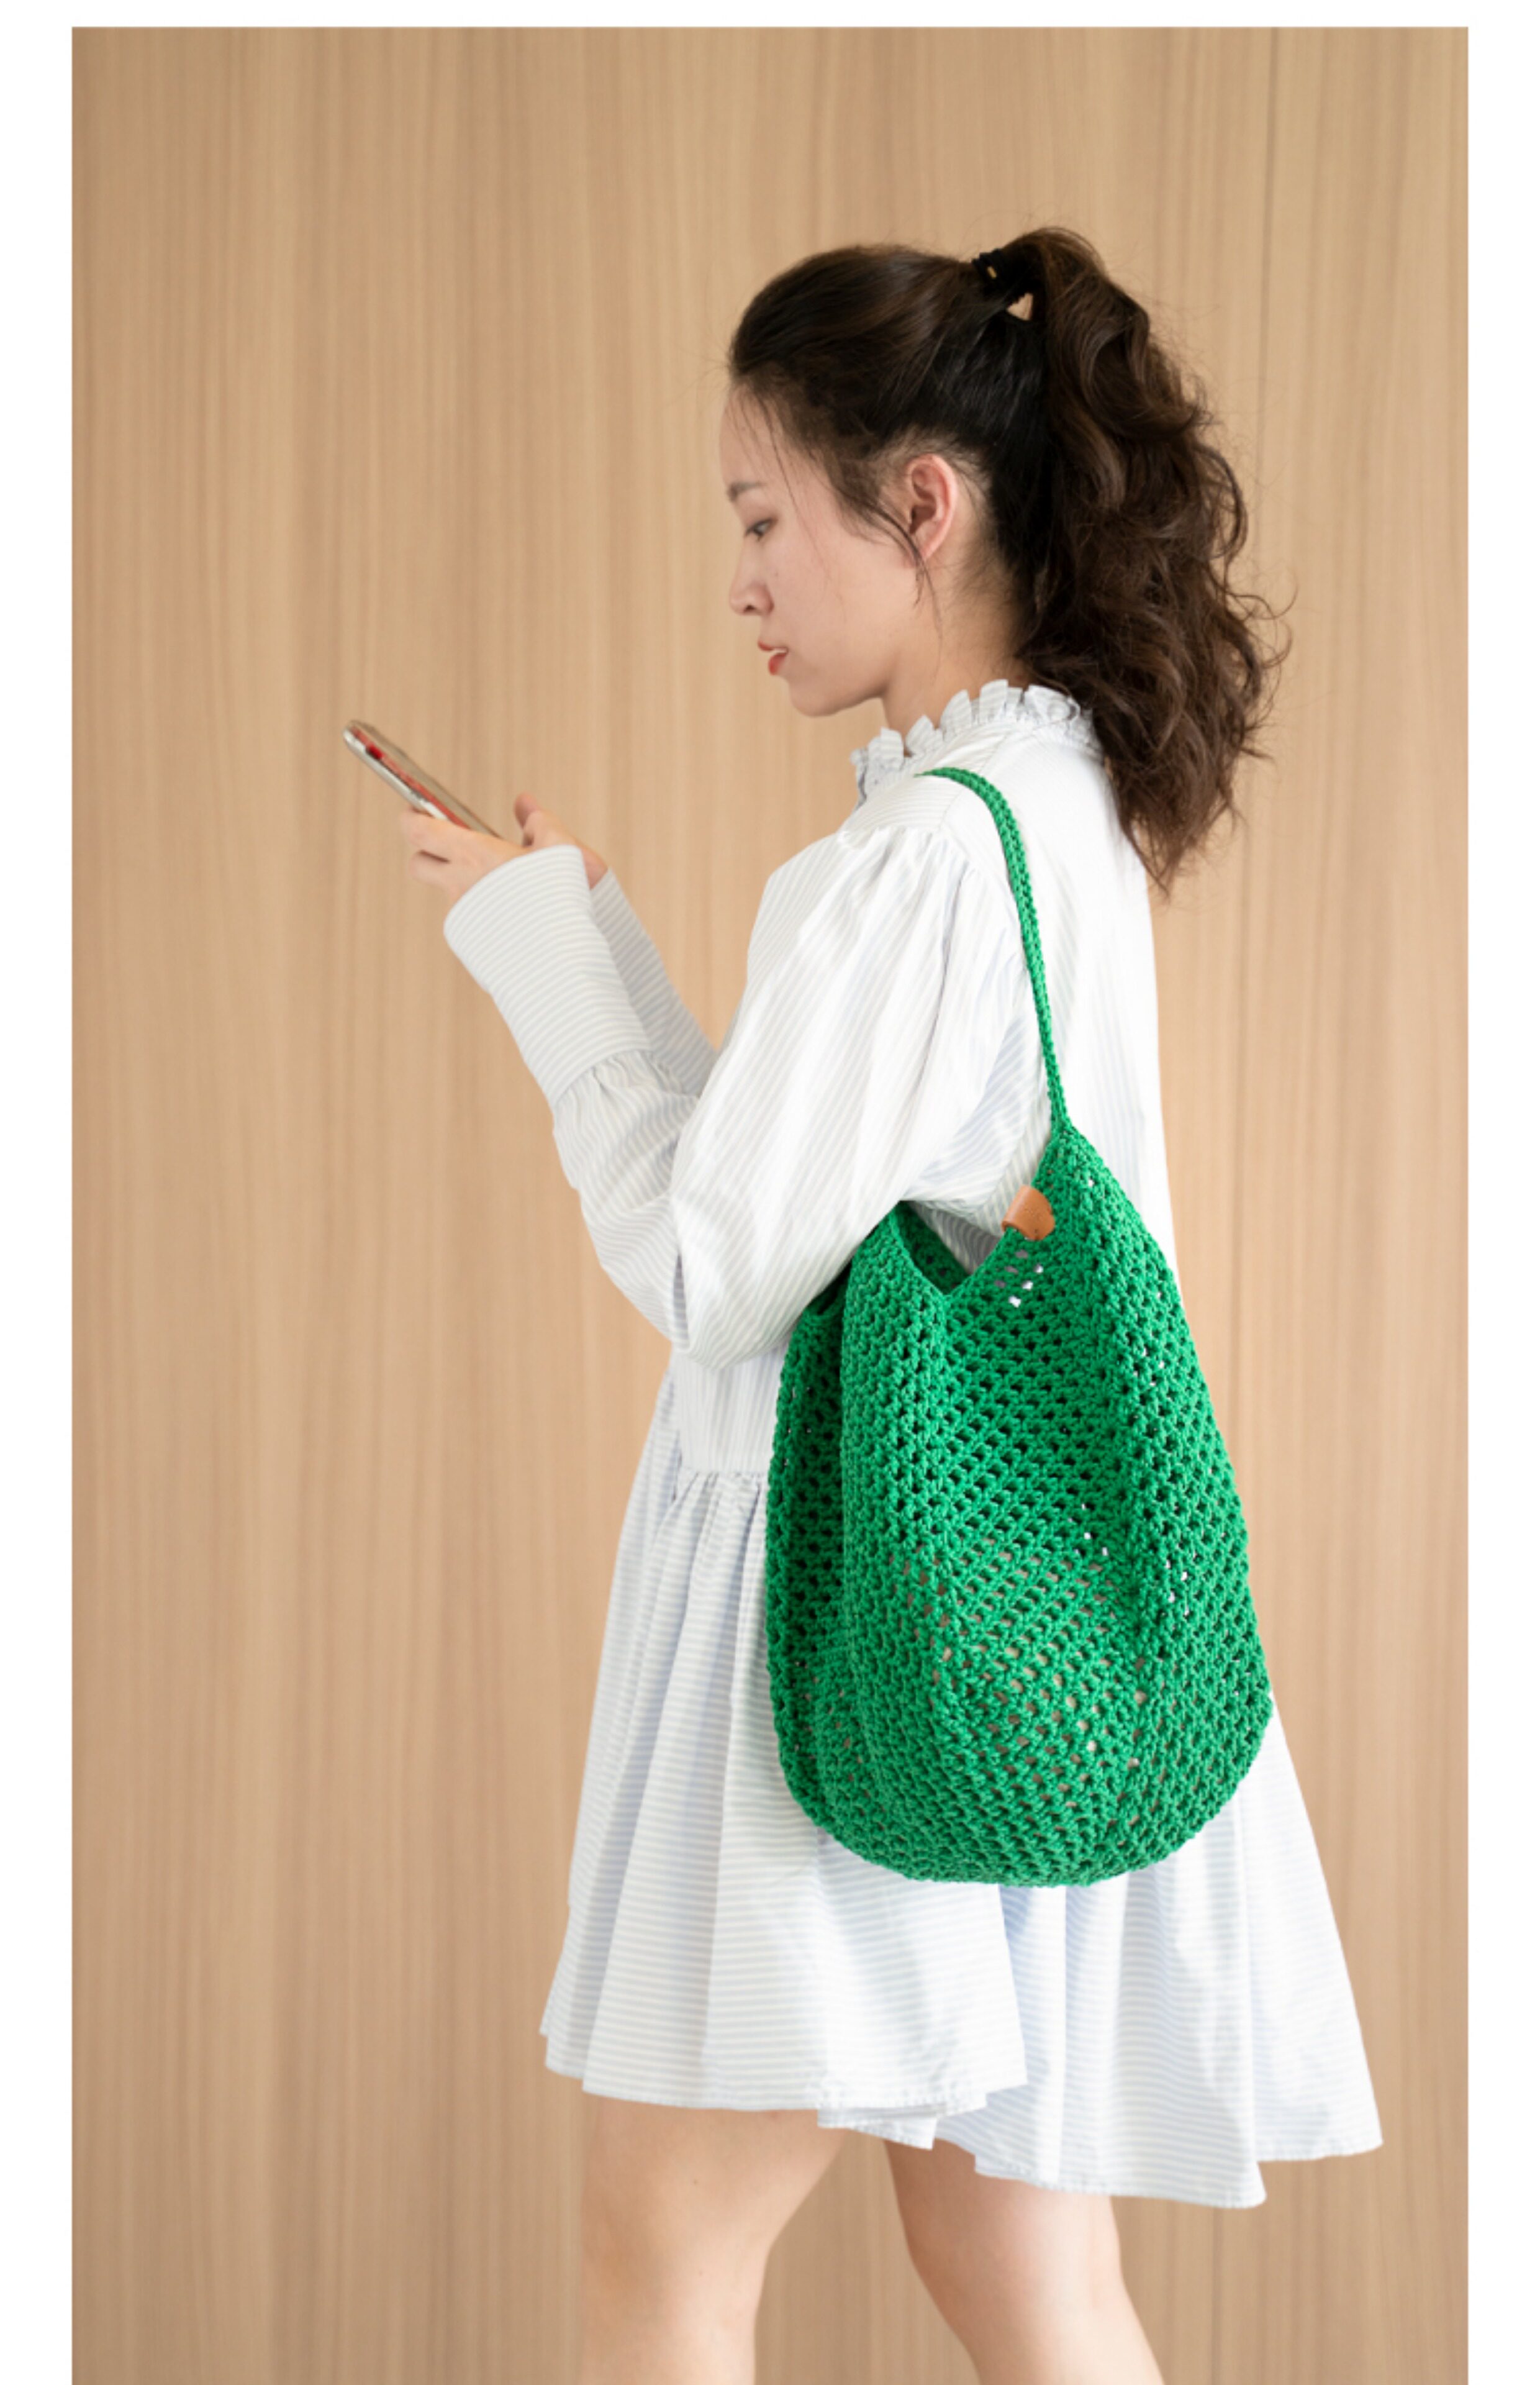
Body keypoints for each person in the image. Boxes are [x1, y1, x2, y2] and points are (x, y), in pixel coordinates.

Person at [399, 228, 1383, 2385]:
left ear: (919, 505)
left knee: (664, 2251)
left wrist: (544, 963)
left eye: (765, 518)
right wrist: (597, 939)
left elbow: (713, 1270)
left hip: (854, 1626)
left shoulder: (923, 853)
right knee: (1023, 2270)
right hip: (1013, 1623)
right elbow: (812, 1189)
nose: (741, 580)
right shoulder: (1055, 812)